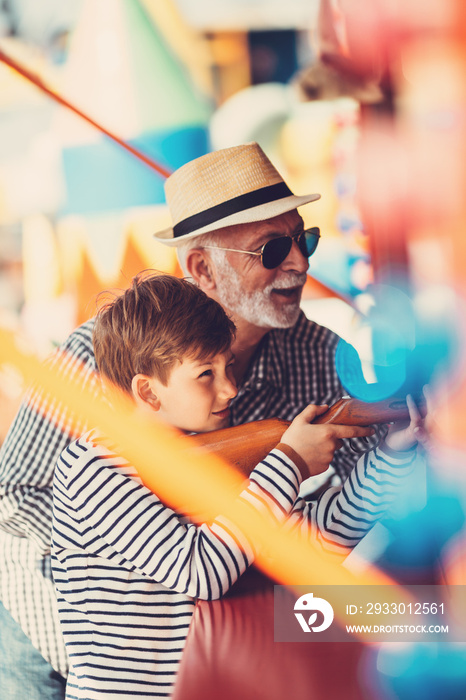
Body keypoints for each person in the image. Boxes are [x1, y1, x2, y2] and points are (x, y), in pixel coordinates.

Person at [0, 142, 384, 696]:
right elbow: (16, 493)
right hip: (59, 619)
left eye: (305, 239)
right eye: (273, 249)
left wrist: (398, 452)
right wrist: (115, 592)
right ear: (202, 267)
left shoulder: (319, 353)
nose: (300, 262)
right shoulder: (96, 357)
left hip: (206, 643)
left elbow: (325, 519)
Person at [51, 272, 422, 699]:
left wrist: (394, 451)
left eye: (228, 366)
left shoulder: (207, 458)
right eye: (206, 374)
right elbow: (201, 570)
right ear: (148, 393)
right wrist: (290, 462)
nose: (231, 388)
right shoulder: (94, 467)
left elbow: (312, 544)